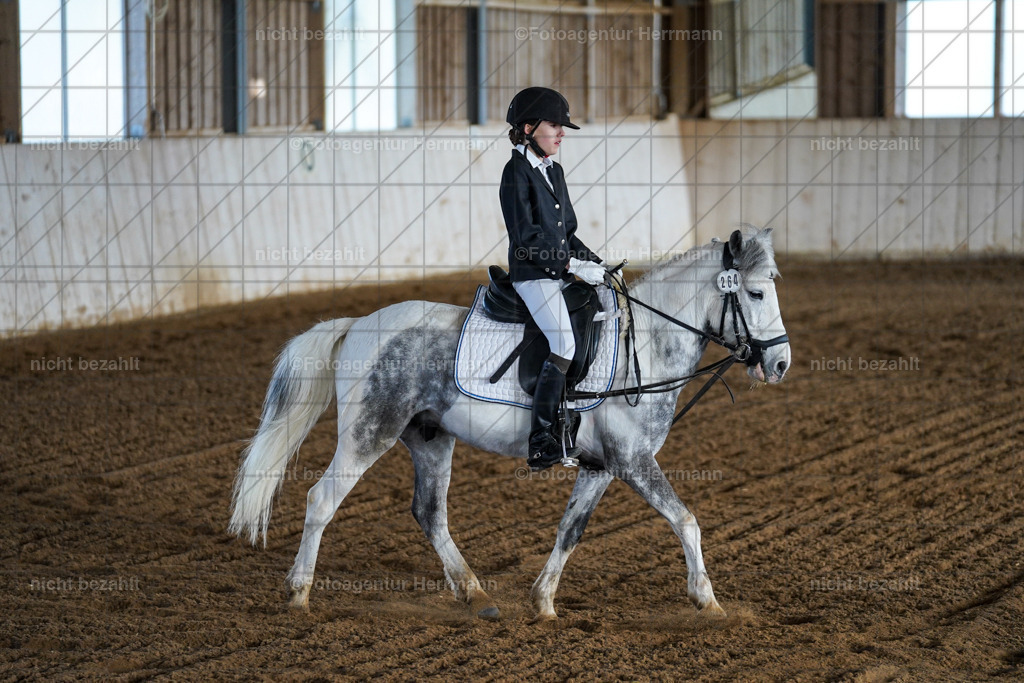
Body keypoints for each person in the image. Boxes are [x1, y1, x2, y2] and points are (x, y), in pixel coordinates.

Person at [499, 87, 606, 471]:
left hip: (558, 269)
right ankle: (542, 439)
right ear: (528, 128)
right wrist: (569, 266)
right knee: (563, 341)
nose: (561, 134)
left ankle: (574, 415)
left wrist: (596, 263)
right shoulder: (515, 172)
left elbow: (567, 232)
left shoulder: (553, 171)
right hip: (533, 275)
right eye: (554, 126)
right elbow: (526, 238)